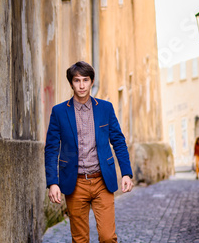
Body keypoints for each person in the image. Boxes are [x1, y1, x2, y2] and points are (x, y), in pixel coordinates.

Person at [45, 61, 134, 243]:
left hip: (102, 180)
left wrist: (126, 173)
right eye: (77, 80)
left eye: (85, 80)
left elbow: (118, 140)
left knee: (108, 237)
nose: (82, 85)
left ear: (92, 81)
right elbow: (51, 148)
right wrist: (52, 182)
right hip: (75, 183)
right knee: (80, 239)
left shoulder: (105, 108)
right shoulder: (59, 112)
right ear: (71, 83)